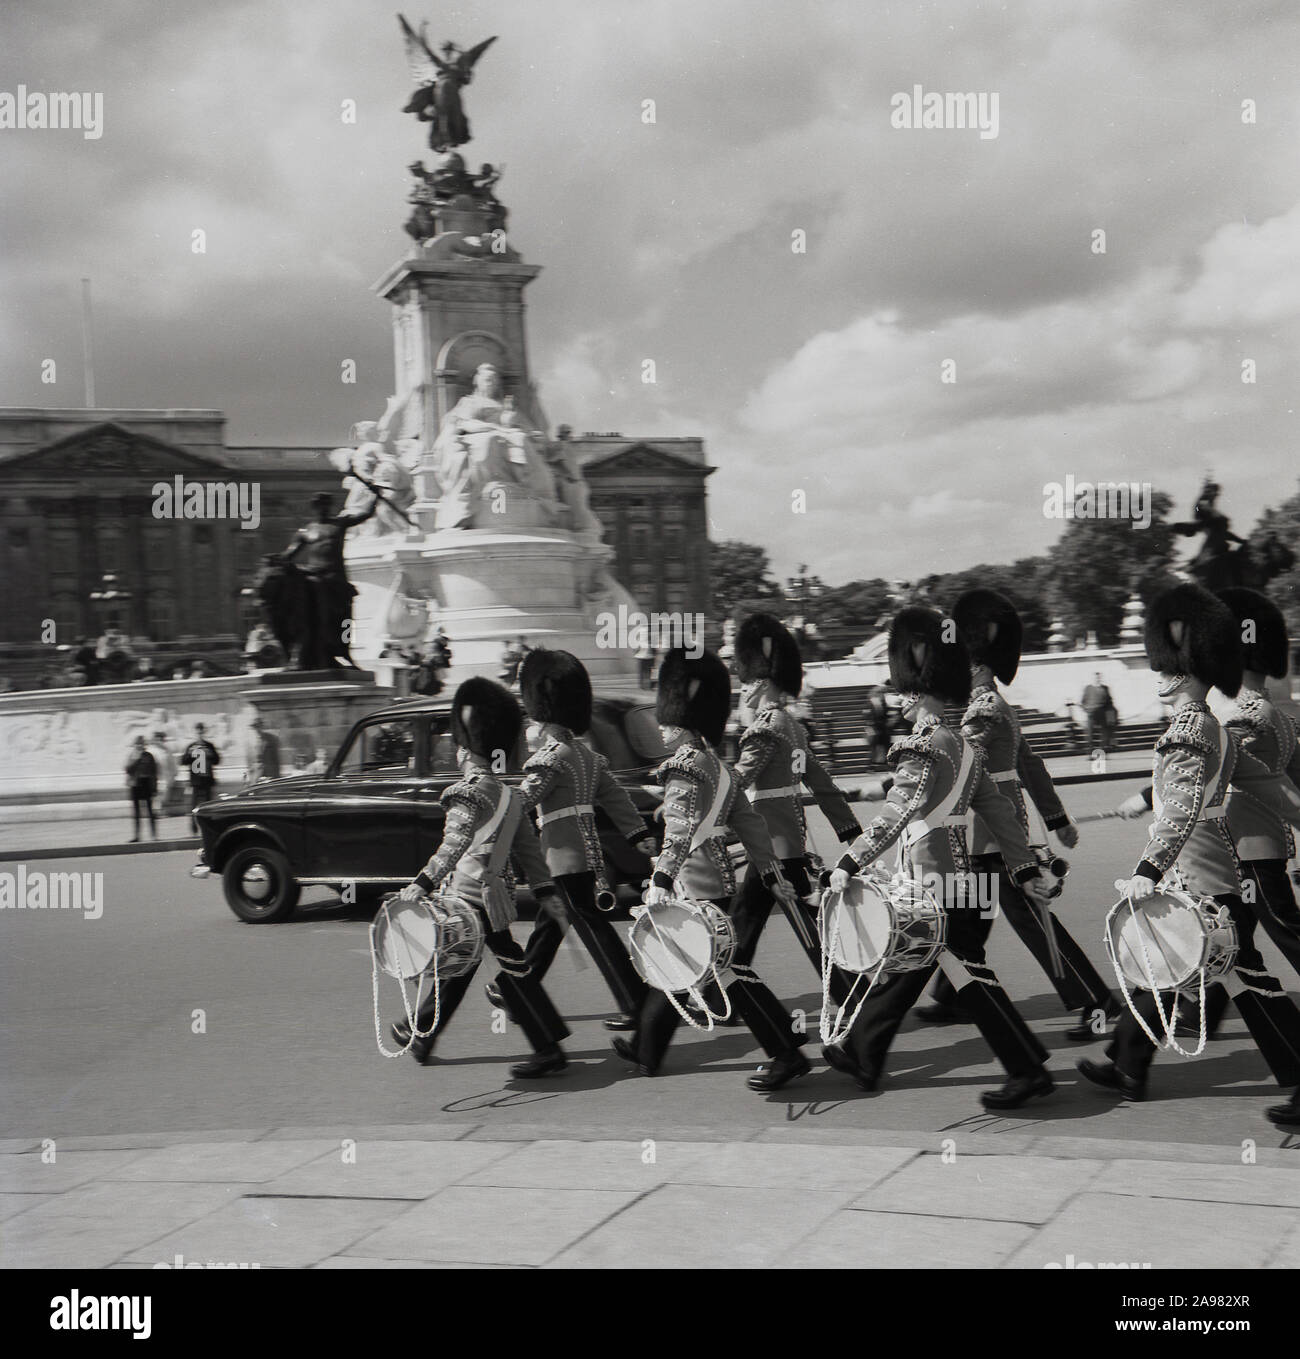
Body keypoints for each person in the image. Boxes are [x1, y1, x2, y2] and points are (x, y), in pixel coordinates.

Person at [824, 607, 1059, 1111]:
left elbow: (894, 815)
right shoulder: (965, 748)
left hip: (933, 881)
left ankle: (1027, 1069)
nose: (898, 698)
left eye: (904, 690)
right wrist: (1025, 867)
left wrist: (848, 862)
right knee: (918, 961)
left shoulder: (925, 747)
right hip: (957, 880)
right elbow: (1001, 816)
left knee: (954, 967)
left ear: (920, 690)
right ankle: (864, 1051)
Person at [1079, 584, 1300, 1103]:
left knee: (1238, 970)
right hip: (1220, 865)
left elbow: (1179, 812)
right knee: (1170, 960)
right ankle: (1129, 1064)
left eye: (1163, 667)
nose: (1158, 675)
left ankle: (1293, 1068)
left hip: (1200, 871)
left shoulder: (1186, 731)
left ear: (1181, 670)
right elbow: (1277, 791)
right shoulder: (1215, 729)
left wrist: (1148, 870)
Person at [919, 590, 1118, 1040]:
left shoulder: (984, 709)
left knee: (1028, 917)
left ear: (979, 665)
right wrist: (1056, 818)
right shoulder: (992, 707)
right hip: (981, 834)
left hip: (995, 834)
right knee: (969, 915)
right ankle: (953, 994)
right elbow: (1031, 767)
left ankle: (1097, 1000)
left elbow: (953, 759)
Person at [610, 648, 812, 1092]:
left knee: (726, 972)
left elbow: (678, 834)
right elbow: (753, 827)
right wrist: (772, 872)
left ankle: (785, 1052)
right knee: (680, 963)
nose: (661, 724)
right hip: (718, 879)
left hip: (694, 882)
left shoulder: (685, 769)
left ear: (683, 716)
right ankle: (648, 1048)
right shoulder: (718, 768)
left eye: (667, 717)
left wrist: (662, 878)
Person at [389, 678, 571, 1079]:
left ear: (463, 749)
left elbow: (452, 846)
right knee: (463, 966)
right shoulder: (507, 795)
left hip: (469, 897)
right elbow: (529, 850)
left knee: (492, 968)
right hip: (497, 897)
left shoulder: (468, 793)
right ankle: (421, 1031)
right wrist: (544, 891)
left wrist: (422, 883)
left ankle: (548, 1046)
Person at [494, 649, 658, 1031]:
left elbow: (524, 800)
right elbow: (616, 798)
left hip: (562, 856)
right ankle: (516, 989)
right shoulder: (586, 755)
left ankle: (636, 1001)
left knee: (591, 928)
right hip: (588, 855)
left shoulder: (550, 758)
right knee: (550, 927)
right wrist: (638, 834)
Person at [729, 614, 862, 1016]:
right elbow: (822, 785)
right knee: (748, 925)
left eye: (748, 680)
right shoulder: (792, 726)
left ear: (764, 680)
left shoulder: (765, 728)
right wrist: (850, 831)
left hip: (770, 842)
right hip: (785, 839)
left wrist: (696, 793)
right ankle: (732, 993)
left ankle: (849, 993)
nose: (743, 687)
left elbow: (738, 780)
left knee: (771, 926)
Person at [181, 723, 221, 829]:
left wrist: (210, 754)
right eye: (198, 731)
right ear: (195, 732)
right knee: (194, 805)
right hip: (196, 780)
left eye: (201, 731)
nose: (200, 734)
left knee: (208, 804)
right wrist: (189, 754)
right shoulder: (191, 746)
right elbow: (183, 761)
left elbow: (217, 760)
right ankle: (193, 825)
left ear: (204, 732)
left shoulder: (209, 746)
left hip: (207, 779)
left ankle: (208, 826)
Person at [125, 736, 158, 843]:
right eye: (138, 744)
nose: (140, 746)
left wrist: (154, 788)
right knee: (136, 813)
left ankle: (154, 835)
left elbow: (154, 773)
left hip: (146, 784)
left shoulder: (149, 756)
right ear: (135, 745)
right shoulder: (132, 756)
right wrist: (137, 759)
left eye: (141, 744)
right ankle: (137, 836)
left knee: (150, 811)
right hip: (135, 785)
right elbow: (128, 770)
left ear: (144, 745)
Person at [1080, 673, 1116, 752]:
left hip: (1102, 713)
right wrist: (1087, 710)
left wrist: (1110, 717)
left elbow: (1110, 703)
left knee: (1105, 734)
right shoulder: (1088, 688)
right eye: (1096, 678)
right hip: (1091, 714)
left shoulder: (1105, 688)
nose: (1097, 679)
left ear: (1100, 678)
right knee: (1089, 734)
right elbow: (1083, 701)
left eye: (1099, 678)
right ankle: (1090, 753)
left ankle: (1102, 751)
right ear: (1093, 679)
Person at [244, 716, 282, 783]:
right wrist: (250, 771)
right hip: (256, 774)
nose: (258, 729)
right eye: (256, 727)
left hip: (270, 773)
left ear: (262, 727)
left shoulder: (271, 739)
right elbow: (249, 759)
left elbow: (276, 759)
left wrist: (277, 775)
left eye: (259, 727)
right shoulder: (250, 741)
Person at [865, 685, 892, 768]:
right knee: (873, 747)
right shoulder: (871, 702)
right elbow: (868, 716)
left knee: (886, 745)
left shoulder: (883, 702)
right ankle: (870, 765)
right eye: (882, 692)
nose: (884, 694)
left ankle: (887, 763)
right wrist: (870, 726)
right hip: (874, 728)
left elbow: (885, 714)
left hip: (883, 728)